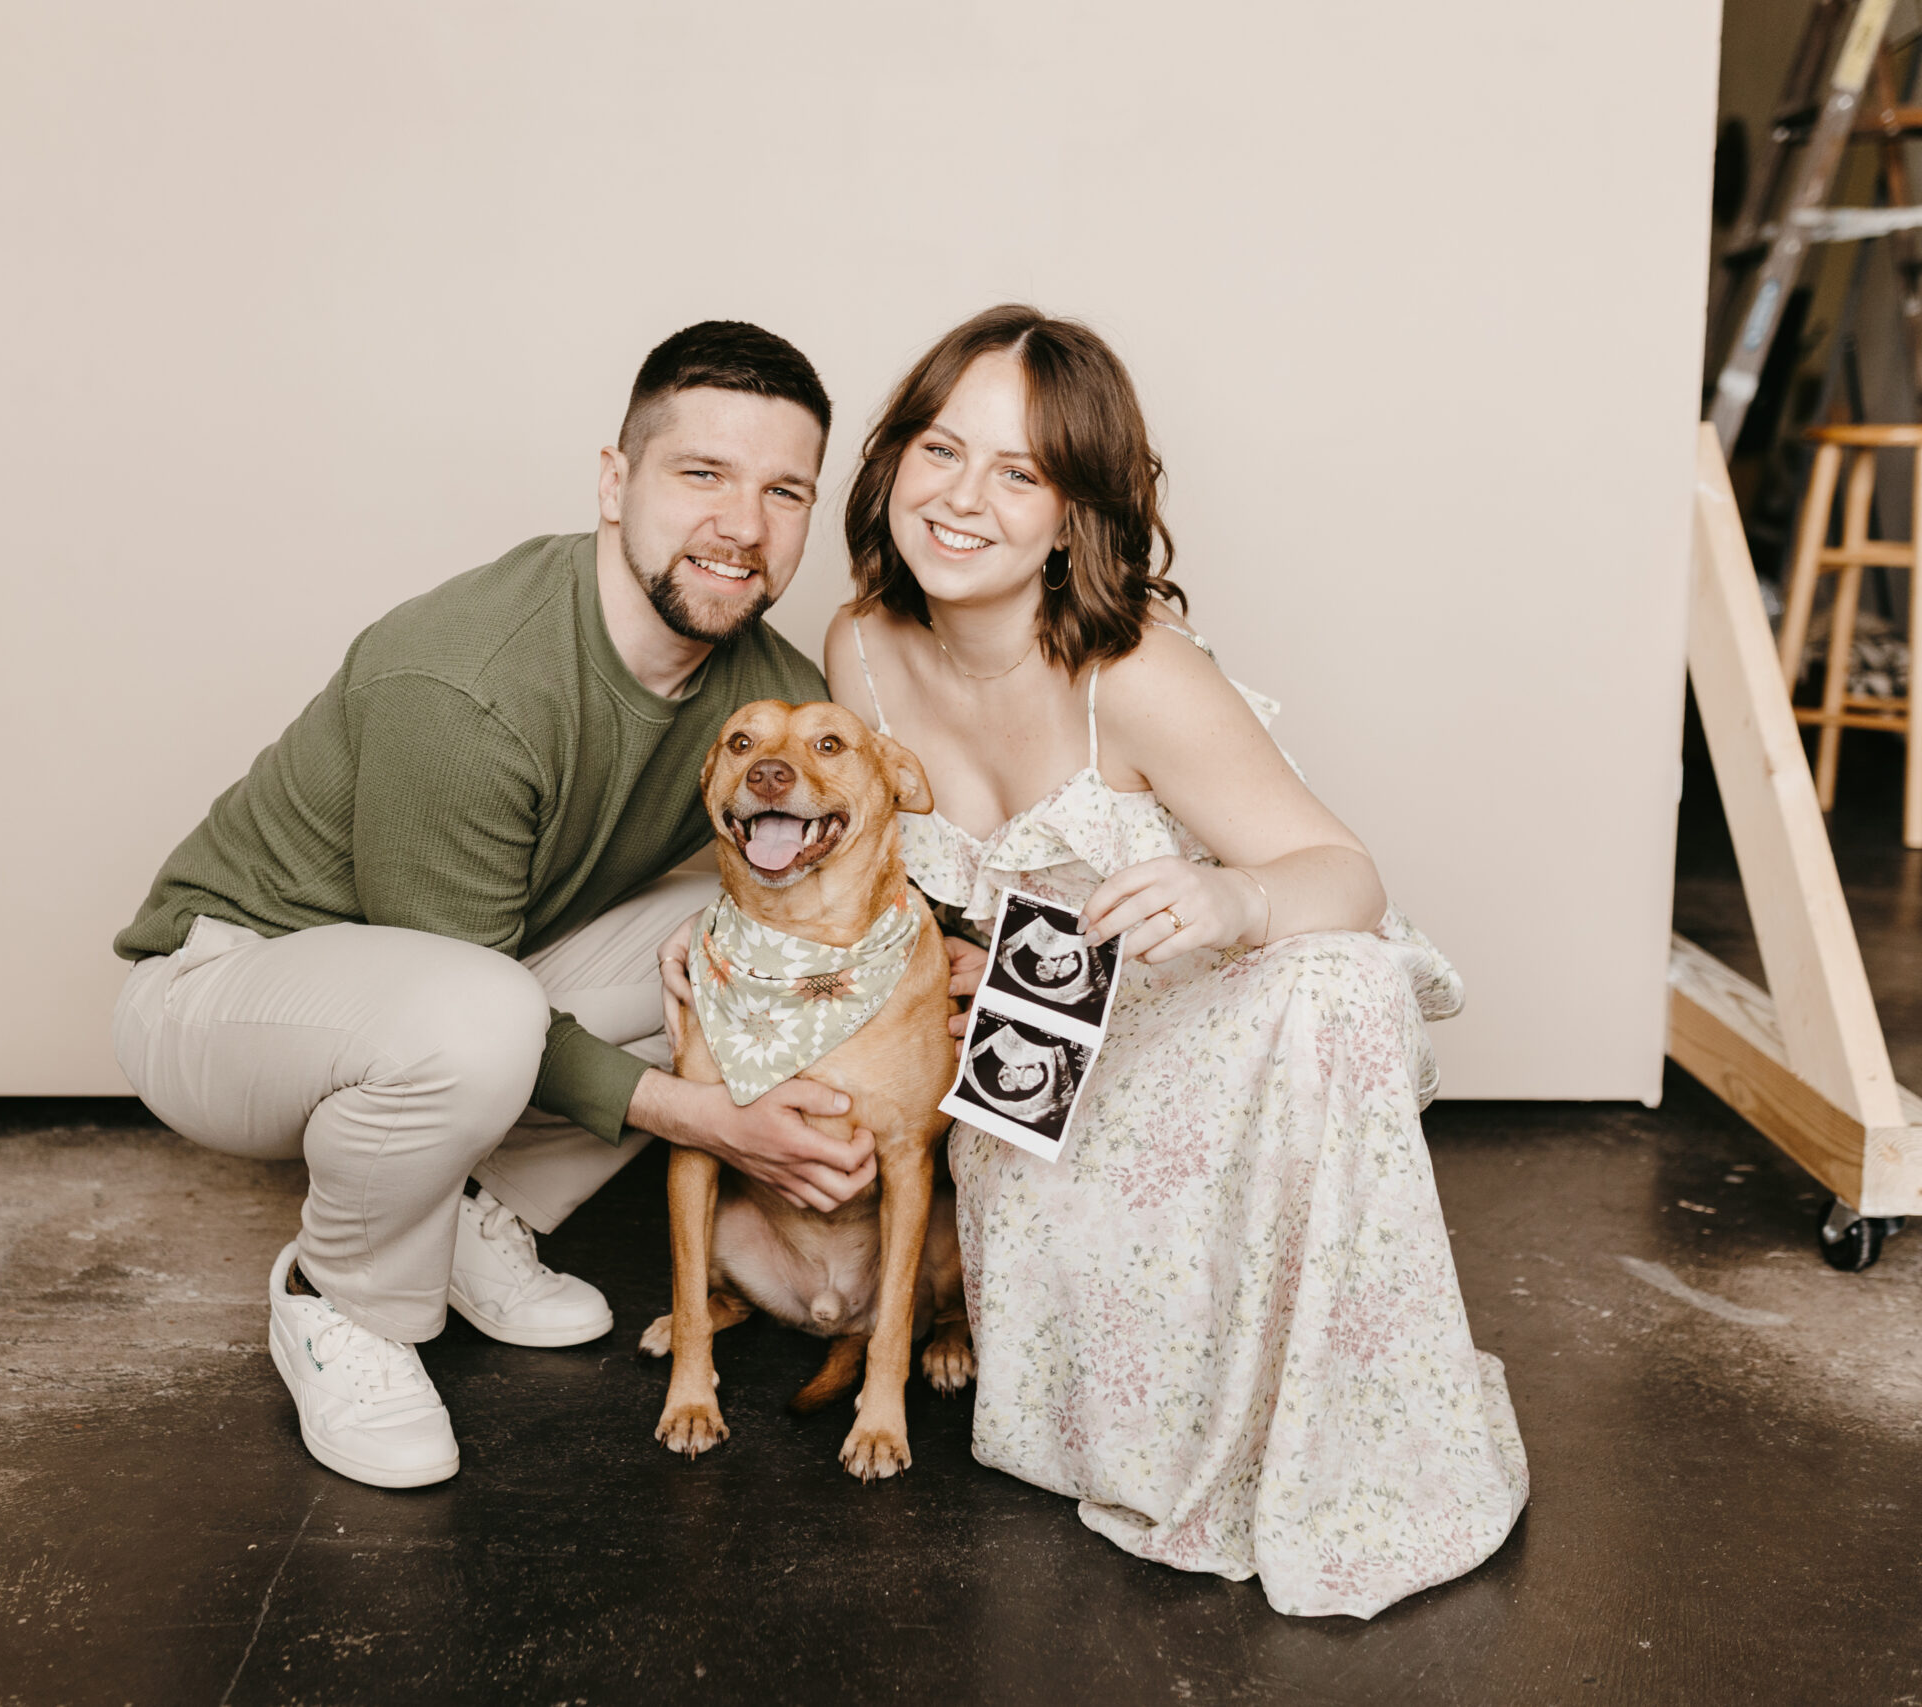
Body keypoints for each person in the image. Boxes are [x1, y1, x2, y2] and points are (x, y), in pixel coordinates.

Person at [820, 305, 1526, 1618]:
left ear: (1074, 512)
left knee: (1341, 978)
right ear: (892, 463)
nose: (964, 497)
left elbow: (1346, 878)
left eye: (1019, 471)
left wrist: (1231, 895)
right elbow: (882, 882)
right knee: (1074, 1412)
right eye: (939, 448)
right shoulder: (858, 650)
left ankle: (1352, 1437)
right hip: (1031, 1060)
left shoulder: (1132, 670)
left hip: (1202, 1034)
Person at [111, 322, 892, 1491]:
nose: (744, 525)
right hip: (224, 988)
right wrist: (715, 1121)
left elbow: (837, 879)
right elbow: (460, 993)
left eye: (784, 491)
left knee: (723, 932)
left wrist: (954, 960)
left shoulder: (767, 694)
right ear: (614, 481)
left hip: (458, 981)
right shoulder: (467, 682)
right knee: (473, 1019)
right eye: (702, 476)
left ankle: (468, 1209)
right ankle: (344, 1303)